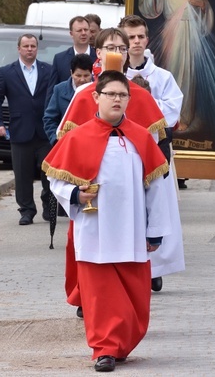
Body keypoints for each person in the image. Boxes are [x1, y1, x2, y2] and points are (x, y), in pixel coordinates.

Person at [45, 70, 171, 373]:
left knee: (134, 297)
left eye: (122, 95)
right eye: (111, 94)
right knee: (100, 295)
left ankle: (121, 343)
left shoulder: (141, 137)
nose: (117, 99)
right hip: (95, 229)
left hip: (131, 230)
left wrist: (156, 230)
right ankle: (103, 349)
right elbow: (55, 179)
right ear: (96, 97)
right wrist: (75, 194)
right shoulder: (77, 136)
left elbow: (156, 188)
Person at [57, 28, 169, 317]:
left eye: (121, 48)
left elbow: (152, 171)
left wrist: (154, 227)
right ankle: (90, 306)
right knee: (92, 263)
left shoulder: (140, 97)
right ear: (99, 52)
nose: (116, 53)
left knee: (126, 276)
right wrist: (75, 193)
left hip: (129, 212)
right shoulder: (84, 95)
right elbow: (62, 160)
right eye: (110, 48)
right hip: (92, 210)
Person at [119, 14, 185, 292]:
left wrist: (143, 103)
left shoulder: (162, 77)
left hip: (154, 151)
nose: (136, 42)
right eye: (130, 38)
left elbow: (172, 111)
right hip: (121, 151)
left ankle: (153, 266)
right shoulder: (114, 77)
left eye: (140, 37)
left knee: (155, 208)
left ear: (147, 39)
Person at [138, 0, 215, 136]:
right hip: (173, 33)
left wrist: (200, 3)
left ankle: (185, 117)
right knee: (173, 71)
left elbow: (206, 9)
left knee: (189, 76)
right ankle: (171, 117)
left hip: (191, 34)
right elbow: (151, 7)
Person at [0, 34, 54, 226]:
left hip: (45, 130)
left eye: (33, 46)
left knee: (50, 173)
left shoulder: (48, 70)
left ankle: (49, 207)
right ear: (18, 48)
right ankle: (26, 210)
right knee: (22, 173)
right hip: (20, 130)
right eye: (25, 46)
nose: (29, 49)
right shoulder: (6, 72)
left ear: (37, 48)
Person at [43, 54, 94, 146]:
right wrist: (55, 140)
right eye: (78, 75)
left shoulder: (99, 90)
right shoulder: (59, 90)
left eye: (86, 75)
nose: (82, 80)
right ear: (71, 73)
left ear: (91, 73)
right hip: (66, 144)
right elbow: (49, 118)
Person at [48, 16, 98, 103]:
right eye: (79, 30)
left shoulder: (99, 57)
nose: (83, 33)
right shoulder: (60, 59)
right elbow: (51, 93)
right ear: (71, 34)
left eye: (86, 30)